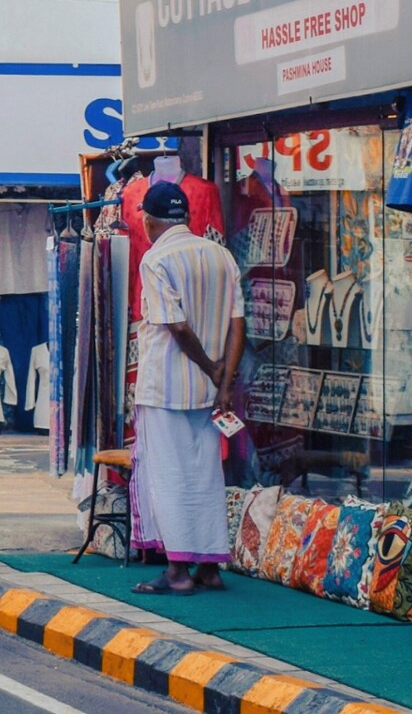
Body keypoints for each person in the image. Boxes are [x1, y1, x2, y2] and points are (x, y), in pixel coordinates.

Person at [130, 181, 245, 595]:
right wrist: (224, 380)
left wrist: (212, 368)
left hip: (166, 387)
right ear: (187, 217)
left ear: (148, 219)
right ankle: (210, 568)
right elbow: (237, 324)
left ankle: (177, 570)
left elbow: (177, 326)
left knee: (168, 476)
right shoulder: (221, 256)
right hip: (209, 393)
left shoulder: (156, 259)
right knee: (205, 475)